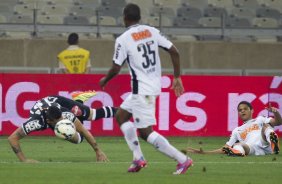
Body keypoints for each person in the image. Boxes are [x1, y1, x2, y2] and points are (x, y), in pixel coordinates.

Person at [99, 3, 193, 175]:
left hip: (142, 90)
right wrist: (177, 77)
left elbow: (116, 68)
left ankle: (182, 160)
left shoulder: (123, 39)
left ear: (124, 18)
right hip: (149, 86)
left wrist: (105, 79)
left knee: (145, 132)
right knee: (121, 115)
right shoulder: (151, 31)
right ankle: (138, 158)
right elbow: (175, 52)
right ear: (139, 17)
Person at [8, 92, 116, 163]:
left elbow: (83, 130)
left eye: (62, 119)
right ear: (49, 121)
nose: (63, 121)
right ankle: (78, 101)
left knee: (92, 115)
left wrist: (98, 150)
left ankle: (121, 111)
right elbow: (12, 138)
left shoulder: (64, 114)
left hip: (58, 101)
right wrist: (24, 160)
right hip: (41, 111)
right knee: (77, 140)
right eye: (58, 121)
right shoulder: (36, 122)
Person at [182, 101, 281, 156]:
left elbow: (278, 122)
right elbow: (225, 148)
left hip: (264, 144)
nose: (242, 111)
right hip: (251, 149)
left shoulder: (260, 119)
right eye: (240, 110)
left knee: (266, 127)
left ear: (252, 110)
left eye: (245, 109)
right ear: (238, 113)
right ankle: (238, 152)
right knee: (238, 145)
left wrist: (275, 112)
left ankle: (274, 144)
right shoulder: (237, 130)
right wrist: (205, 153)